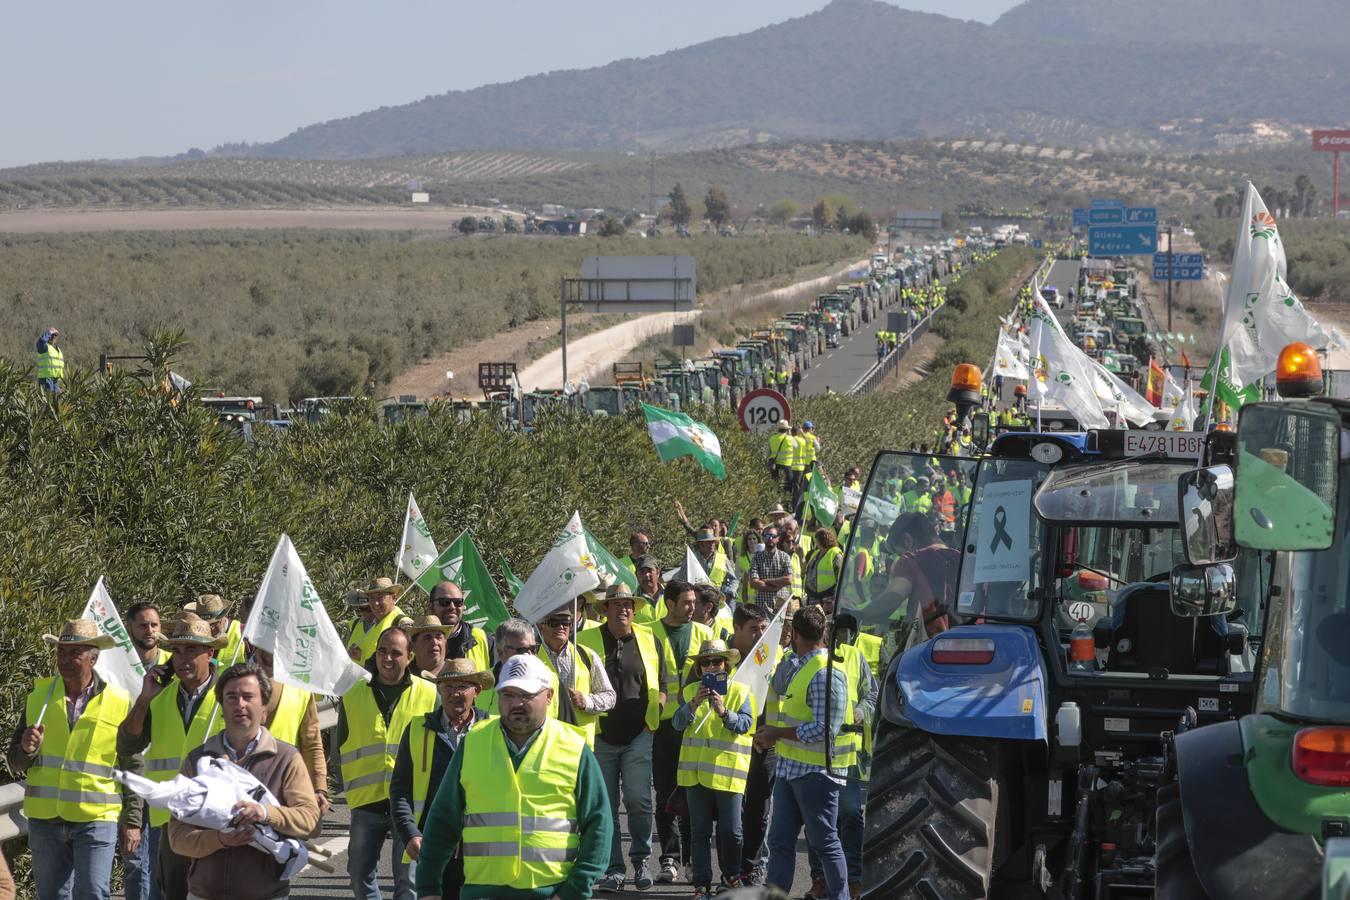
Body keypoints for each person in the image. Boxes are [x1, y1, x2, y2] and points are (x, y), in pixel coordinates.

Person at [414, 654, 613, 900]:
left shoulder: (573, 747)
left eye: (527, 695)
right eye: (508, 695)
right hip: (482, 893)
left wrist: (576, 889)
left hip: (551, 893)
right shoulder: (473, 743)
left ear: (549, 696)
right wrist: (428, 888)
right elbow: (443, 820)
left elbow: (599, 824)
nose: (517, 703)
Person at [166, 663, 320, 900]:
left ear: (264, 706)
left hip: (266, 894)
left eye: (248, 697)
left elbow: (309, 821)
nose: (240, 705)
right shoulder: (198, 760)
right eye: (231, 697)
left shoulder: (286, 758)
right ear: (221, 705)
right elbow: (177, 836)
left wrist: (265, 813)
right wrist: (218, 840)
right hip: (204, 894)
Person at [9, 620, 131, 900]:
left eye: (74, 653)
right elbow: (14, 762)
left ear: (94, 658)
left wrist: (132, 819)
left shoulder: (120, 701)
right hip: (45, 820)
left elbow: (130, 763)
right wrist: (27, 751)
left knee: (92, 893)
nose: (64, 659)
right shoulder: (37, 698)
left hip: (96, 818)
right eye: (61, 652)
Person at [118, 613, 227, 900]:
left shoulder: (228, 697)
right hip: (169, 822)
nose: (182, 658)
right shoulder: (159, 698)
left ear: (210, 653)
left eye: (191, 650)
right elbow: (128, 744)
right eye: (176, 651)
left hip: (217, 818)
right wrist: (143, 699)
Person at [577, 583, 669, 893]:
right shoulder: (586, 639)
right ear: (605, 610)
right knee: (606, 805)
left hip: (638, 735)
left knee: (639, 801)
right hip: (600, 735)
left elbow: (664, 681)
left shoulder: (648, 638)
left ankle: (641, 858)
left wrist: (655, 712)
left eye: (628, 604)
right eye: (616, 604)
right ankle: (613, 868)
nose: (623, 609)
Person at [757, 606, 852, 900]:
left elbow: (824, 729)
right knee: (780, 841)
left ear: (795, 634)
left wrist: (776, 733)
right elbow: (781, 687)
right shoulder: (803, 665)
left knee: (825, 843)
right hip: (791, 769)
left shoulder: (825, 673)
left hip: (816, 774)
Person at [337, 626, 437, 900]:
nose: (388, 659)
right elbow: (341, 742)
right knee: (359, 875)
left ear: (409, 657)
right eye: (382, 651)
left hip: (409, 802)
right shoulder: (353, 692)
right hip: (366, 801)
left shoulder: (429, 694)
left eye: (396, 653)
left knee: (407, 882)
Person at [390, 658, 492, 899]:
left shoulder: (494, 729)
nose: (454, 693)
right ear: (438, 689)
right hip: (432, 847)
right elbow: (400, 789)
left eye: (462, 686)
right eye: (448, 687)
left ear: (476, 691)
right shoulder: (417, 729)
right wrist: (410, 833)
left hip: (483, 849)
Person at [673, 640, 754, 898]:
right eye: (705, 662)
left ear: (726, 665)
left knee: (732, 831)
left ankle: (731, 876)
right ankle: (702, 885)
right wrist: (694, 704)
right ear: (699, 667)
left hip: (728, 773)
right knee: (699, 832)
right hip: (696, 774)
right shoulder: (690, 692)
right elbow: (676, 724)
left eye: (716, 661)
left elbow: (746, 725)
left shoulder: (740, 691)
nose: (710, 667)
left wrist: (724, 712)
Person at [651, 581, 714, 883]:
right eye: (687, 602)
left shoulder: (704, 634)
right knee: (664, 794)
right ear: (670, 603)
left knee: (692, 793)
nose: (693, 608)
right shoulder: (648, 632)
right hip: (661, 725)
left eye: (695, 602)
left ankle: (691, 859)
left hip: (693, 724)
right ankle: (669, 858)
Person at [248, 645, 329, 819]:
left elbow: (312, 743)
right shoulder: (229, 680)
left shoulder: (299, 685)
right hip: (238, 794)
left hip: (283, 793)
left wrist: (318, 787)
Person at [121, 601, 168, 900]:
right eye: (142, 625)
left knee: (163, 862)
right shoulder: (116, 668)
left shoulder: (172, 665)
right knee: (135, 862)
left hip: (165, 778)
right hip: (130, 775)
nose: (149, 631)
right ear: (129, 628)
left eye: (154, 624)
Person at [728, 605, 775, 886]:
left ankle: (752, 868)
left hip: (766, 746)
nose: (760, 634)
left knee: (759, 810)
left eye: (764, 627)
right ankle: (730, 869)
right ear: (737, 629)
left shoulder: (772, 657)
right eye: (754, 628)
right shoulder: (722, 659)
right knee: (730, 814)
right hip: (731, 746)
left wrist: (768, 735)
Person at [537, 601, 615, 748]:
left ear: (571, 626)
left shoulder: (587, 655)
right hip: (544, 743)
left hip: (580, 744)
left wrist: (586, 702)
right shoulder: (531, 659)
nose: (561, 627)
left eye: (565, 623)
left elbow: (610, 696)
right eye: (554, 622)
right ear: (542, 626)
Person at [883, 512, 960, 642]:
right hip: (965, 647)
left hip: (928, 651)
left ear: (908, 540)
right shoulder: (962, 559)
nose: (899, 557)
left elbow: (890, 601)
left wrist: (856, 615)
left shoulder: (911, 560)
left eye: (898, 553)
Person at [477, 618, 558, 716]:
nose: (529, 655)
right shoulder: (482, 682)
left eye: (533, 649)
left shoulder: (550, 678)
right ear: (500, 651)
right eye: (522, 650)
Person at [427, 581, 491, 671]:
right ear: (430, 607)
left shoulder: (482, 639)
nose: (452, 607)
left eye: (458, 602)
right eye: (445, 602)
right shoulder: (416, 641)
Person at [346, 577, 410, 666]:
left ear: (394, 598)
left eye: (380, 598)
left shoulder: (401, 623)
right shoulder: (376, 622)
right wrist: (361, 658)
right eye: (371, 598)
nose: (375, 603)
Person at [184, 594, 244, 668]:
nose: (211, 628)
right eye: (206, 624)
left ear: (224, 617)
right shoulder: (193, 636)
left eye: (214, 623)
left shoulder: (243, 633)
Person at [748, 527, 793, 609]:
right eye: (767, 536)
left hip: (781, 606)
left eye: (773, 536)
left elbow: (789, 580)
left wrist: (765, 581)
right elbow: (753, 583)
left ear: (778, 539)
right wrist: (776, 587)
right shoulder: (756, 558)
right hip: (762, 605)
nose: (770, 538)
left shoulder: (785, 557)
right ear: (763, 538)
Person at [692, 528, 738, 605]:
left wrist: (729, 593)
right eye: (708, 542)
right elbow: (682, 577)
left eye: (713, 541)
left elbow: (734, 580)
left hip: (718, 599)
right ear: (700, 544)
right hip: (696, 600)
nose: (712, 544)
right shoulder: (692, 558)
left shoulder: (723, 558)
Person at [804, 528, 844, 605]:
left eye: (817, 538)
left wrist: (834, 599)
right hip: (812, 595)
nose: (815, 541)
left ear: (823, 539)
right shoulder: (816, 553)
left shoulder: (835, 554)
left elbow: (840, 577)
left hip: (827, 597)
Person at [632, 554, 664, 625]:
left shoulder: (672, 595)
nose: (646, 575)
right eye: (642, 571)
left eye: (650, 570)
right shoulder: (631, 600)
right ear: (636, 575)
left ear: (658, 572)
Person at [768, 422, 795, 493]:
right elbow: (796, 446)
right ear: (787, 429)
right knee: (788, 486)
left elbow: (769, 451)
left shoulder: (772, 438)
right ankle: (785, 503)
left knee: (775, 486)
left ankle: (776, 501)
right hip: (786, 465)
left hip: (774, 465)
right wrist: (790, 434)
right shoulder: (790, 439)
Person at [35, 326, 64, 393]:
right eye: (51, 335)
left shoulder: (58, 350)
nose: (53, 337)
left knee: (56, 400)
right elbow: (40, 344)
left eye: (55, 335)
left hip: (56, 380)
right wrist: (46, 336)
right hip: (46, 379)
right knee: (47, 399)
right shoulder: (45, 347)